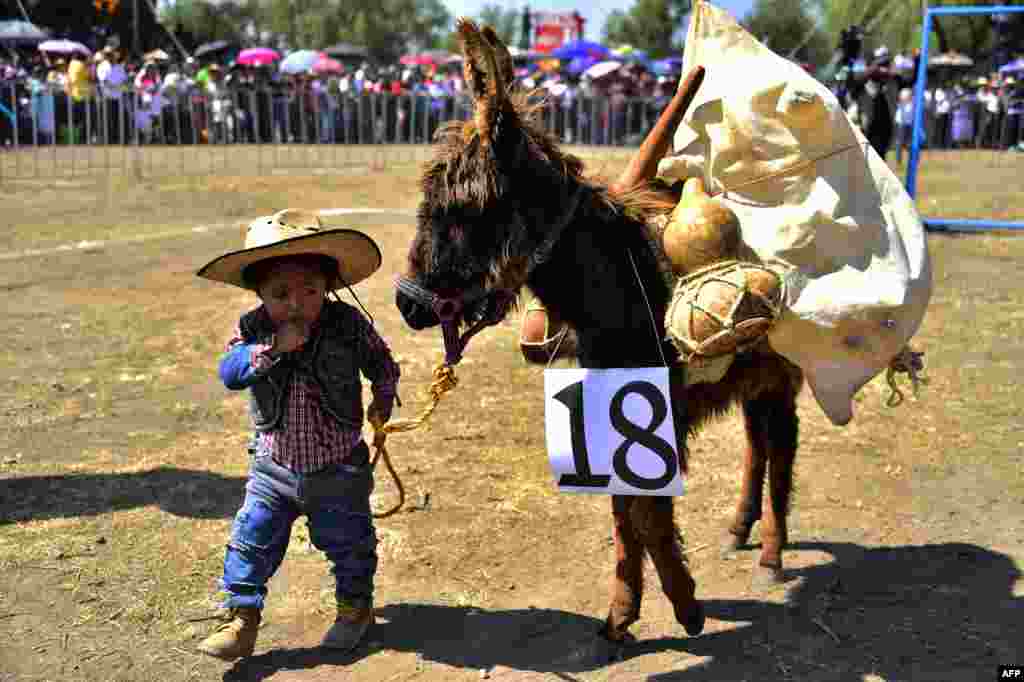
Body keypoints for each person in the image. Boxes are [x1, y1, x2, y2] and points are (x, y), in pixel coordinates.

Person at [194, 209, 400, 660]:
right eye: (280, 294)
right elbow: (230, 372)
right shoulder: (253, 330)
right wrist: (270, 350)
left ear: (328, 287)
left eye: (310, 291)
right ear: (259, 293)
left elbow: (383, 364)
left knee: (348, 542)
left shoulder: (347, 325)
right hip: (274, 466)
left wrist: (382, 400)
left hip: (339, 467)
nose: (295, 304)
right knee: (252, 537)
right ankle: (241, 620)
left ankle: (354, 611)